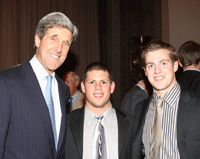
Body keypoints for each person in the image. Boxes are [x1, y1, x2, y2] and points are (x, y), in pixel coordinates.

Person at [0, 12, 78, 159]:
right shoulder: (6, 83)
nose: (59, 48)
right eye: (54, 38)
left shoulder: (63, 90)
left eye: (65, 43)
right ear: (37, 40)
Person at [133, 40, 200, 159]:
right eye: (151, 65)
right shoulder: (140, 109)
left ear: (175, 65)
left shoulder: (197, 105)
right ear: (145, 71)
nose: (157, 70)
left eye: (163, 63)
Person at [65, 62, 137, 159]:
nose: (98, 87)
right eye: (92, 82)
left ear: (112, 87)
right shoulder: (66, 124)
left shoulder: (132, 124)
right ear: (83, 87)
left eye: (103, 82)